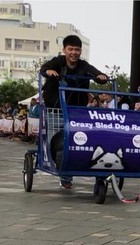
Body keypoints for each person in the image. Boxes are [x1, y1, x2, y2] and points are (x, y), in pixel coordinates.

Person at [39, 34, 108, 189]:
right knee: (58, 141)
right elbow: (44, 69)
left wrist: (100, 76)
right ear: (64, 49)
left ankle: (69, 172)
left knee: (77, 141)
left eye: (77, 49)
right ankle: (65, 175)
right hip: (55, 109)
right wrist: (49, 72)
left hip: (77, 111)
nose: (74, 53)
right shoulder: (57, 62)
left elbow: (96, 74)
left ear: (80, 51)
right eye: (70, 49)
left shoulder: (84, 66)